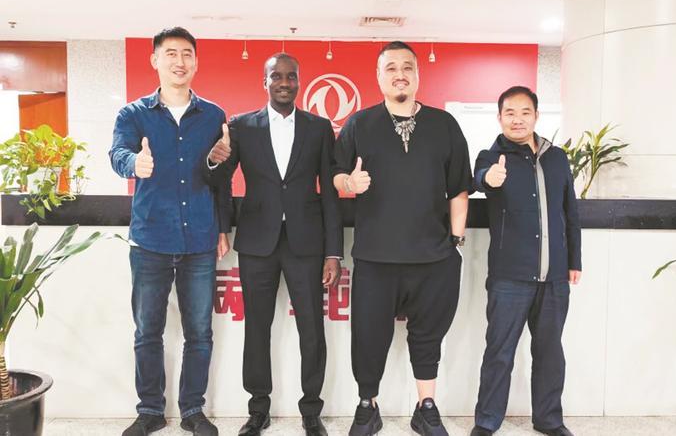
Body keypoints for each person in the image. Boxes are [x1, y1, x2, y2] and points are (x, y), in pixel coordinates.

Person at [332, 41, 472, 436]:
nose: (400, 74)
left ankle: (426, 407)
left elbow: (458, 188)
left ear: (417, 75)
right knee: (368, 336)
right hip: (375, 257)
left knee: (428, 337)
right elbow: (335, 174)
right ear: (378, 76)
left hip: (434, 257)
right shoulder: (359, 124)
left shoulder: (444, 125)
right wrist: (349, 183)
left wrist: (455, 243)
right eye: (391, 67)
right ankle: (368, 406)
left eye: (407, 67)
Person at [205, 53, 342, 436]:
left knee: (312, 330)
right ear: (264, 82)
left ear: (299, 82)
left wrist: (333, 251)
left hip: (307, 243)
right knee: (257, 328)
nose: (284, 82)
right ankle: (258, 410)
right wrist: (214, 162)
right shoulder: (241, 126)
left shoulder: (319, 128)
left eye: (291, 76)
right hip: (256, 242)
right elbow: (220, 180)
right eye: (276, 76)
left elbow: (330, 194)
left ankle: (311, 410)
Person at [109, 27, 229, 436]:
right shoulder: (133, 114)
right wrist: (133, 164)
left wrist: (222, 223)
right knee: (148, 332)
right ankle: (150, 411)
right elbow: (117, 153)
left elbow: (220, 179)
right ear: (155, 60)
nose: (180, 61)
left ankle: (193, 410)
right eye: (171, 53)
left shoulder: (213, 115)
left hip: (199, 239)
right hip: (151, 240)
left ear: (196, 61)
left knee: (200, 333)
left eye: (187, 53)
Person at [469, 86, 582, 436]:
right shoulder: (490, 156)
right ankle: (487, 421)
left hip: (555, 275)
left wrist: (574, 260)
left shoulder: (557, 157)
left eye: (525, 112)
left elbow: (570, 211)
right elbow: (479, 180)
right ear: (499, 117)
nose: (517, 119)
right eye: (510, 113)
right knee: (499, 352)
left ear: (536, 116)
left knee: (550, 352)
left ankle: (549, 420)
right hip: (509, 276)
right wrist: (489, 178)